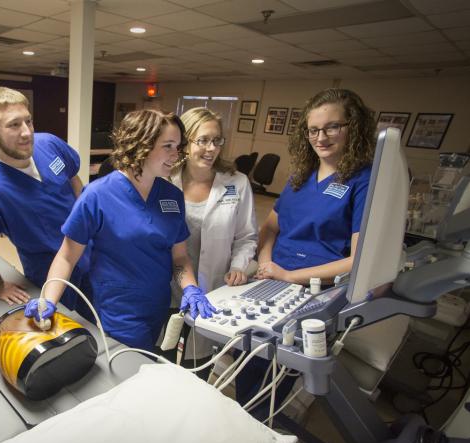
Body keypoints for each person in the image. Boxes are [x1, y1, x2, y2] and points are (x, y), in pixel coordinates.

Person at [25, 109, 216, 350]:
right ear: (141, 146)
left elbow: (179, 256)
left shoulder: (172, 196)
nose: (176, 155)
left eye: (178, 146)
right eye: (168, 146)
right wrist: (47, 300)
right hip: (116, 310)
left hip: (157, 306)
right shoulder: (97, 195)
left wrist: (191, 288)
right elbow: (66, 256)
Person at [238, 87, 377, 413]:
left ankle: (260, 424)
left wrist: (289, 274)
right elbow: (270, 227)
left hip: (315, 290)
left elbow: (358, 259)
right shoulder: (301, 176)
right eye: (314, 129)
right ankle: (245, 420)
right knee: (245, 352)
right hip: (271, 277)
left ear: (352, 127)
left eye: (332, 127)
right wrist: (265, 259)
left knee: (276, 366)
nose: (321, 137)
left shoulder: (363, 180)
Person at [0, 86, 88, 309]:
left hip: (90, 250)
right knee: (76, 328)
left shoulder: (48, 143)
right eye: (14, 125)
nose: (27, 132)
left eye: (28, 121)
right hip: (49, 272)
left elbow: (73, 179)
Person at [169, 107, 257, 365]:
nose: (211, 149)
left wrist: (239, 266)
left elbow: (246, 236)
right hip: (166, 286)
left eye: (217, 140)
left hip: (211, 289)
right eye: (203, 140)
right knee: (161, 358)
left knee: (197, 363)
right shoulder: (165, 178)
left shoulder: (237, 182)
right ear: (185, 143)